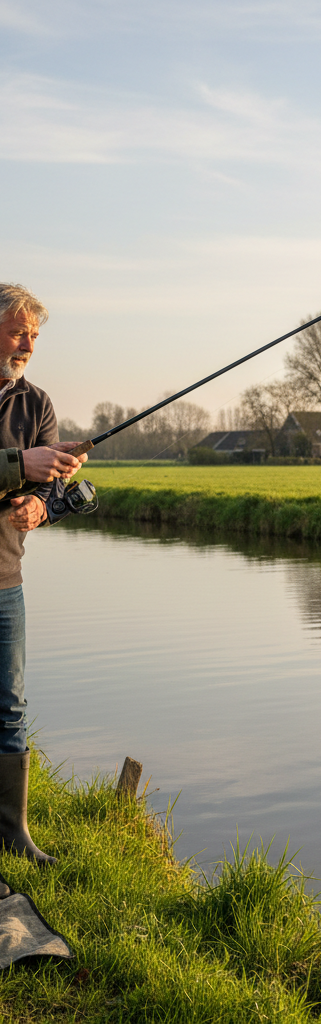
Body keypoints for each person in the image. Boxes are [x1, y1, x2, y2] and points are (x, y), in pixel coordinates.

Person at [0, 283, 87, 864]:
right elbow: (22, 467)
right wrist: (16, 463)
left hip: (5, 582)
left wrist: (44, 506)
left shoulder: (39, 405)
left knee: (10, 708)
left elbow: (51, 493)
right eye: (17, 330)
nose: (28, 343)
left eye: (34, 335)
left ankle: (13, 835)